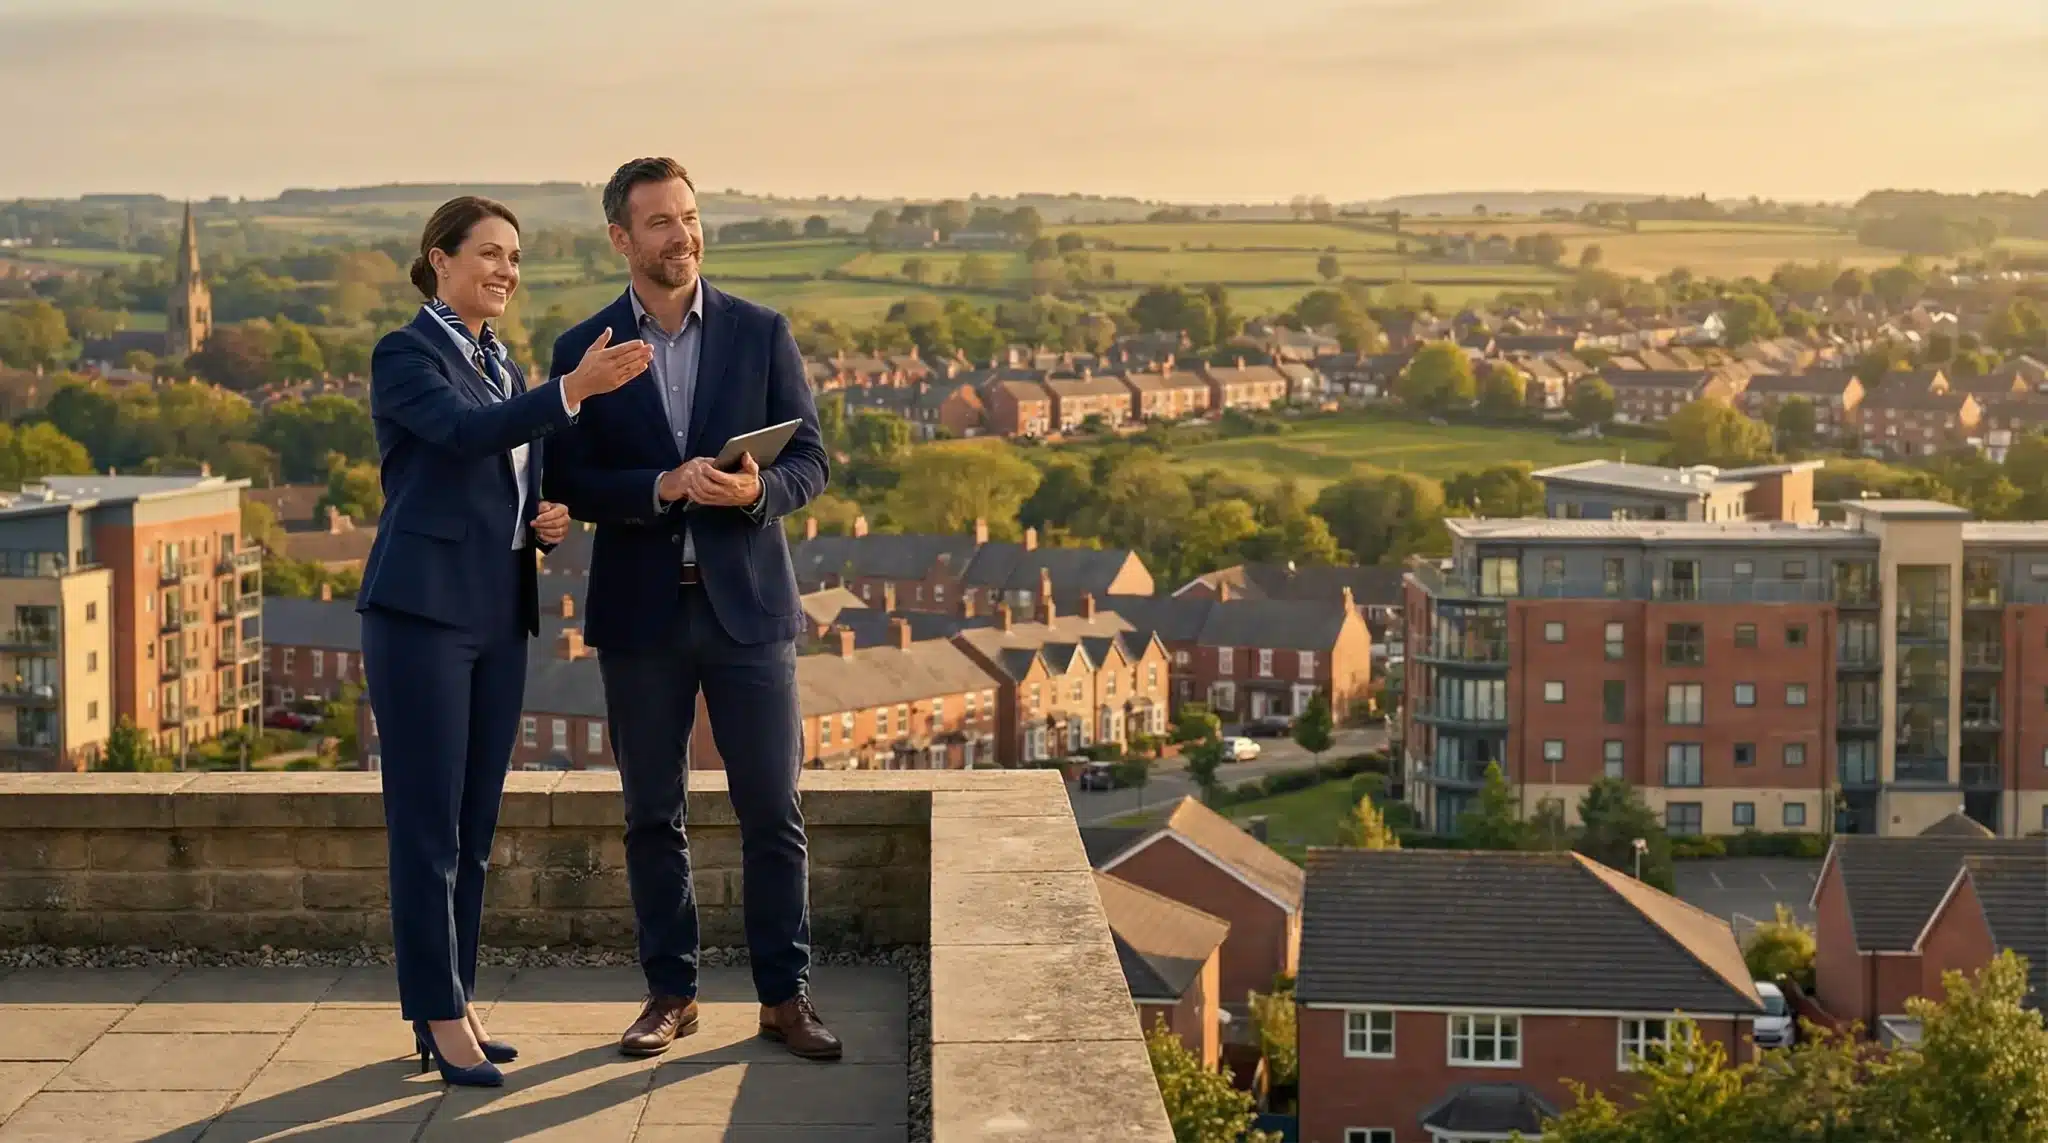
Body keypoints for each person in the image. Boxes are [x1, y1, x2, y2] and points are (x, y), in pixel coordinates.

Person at [543, 158, 837, 1061]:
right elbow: (567, 479)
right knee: (650, 813)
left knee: (771, 811)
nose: (682, 236)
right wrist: (660, 486)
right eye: (661, 223)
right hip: (641, 615)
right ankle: (671, 993)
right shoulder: (582, 350)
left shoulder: (760, 332)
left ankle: (785, 999)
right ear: (621, 239)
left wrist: (753, 492)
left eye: (690, 217)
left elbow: (811, 462)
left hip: (747, 610)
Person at [361, 195, 652, 1086]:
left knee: (475, 827)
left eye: (515, 259)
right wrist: (572, 392)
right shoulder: (406, 354)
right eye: (488, 253)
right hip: (419, 615)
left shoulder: (502, 361)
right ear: (439, 260)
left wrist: (541, 515)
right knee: (427, 829)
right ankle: (439, 1016)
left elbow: (497, 467)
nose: (505, 271)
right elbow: (458, 436)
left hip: (498, 611)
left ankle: (455, 999)